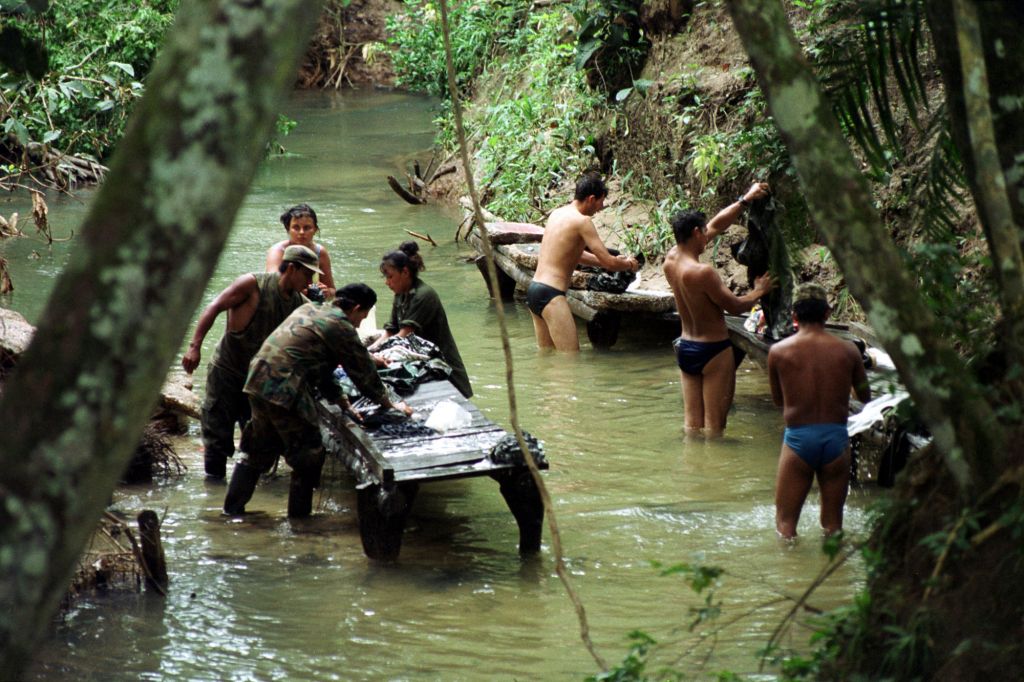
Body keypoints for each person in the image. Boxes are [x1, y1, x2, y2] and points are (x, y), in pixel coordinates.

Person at [223, 283, 413, 518]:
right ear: (355, 308)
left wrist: (343, 402)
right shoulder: (340, 326)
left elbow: (319, 368)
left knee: (258, 447)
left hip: (257, 381)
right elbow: (364, 374)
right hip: (285, 388)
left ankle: (231, 512)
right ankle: (300, 523)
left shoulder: (309, 309)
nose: (360, 322)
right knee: (309, 453)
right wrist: (391, 405)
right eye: (362, 316)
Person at [182, 245, 321, 480]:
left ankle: (244, 490)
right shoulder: (253, 284)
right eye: (307, 274)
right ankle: (214, 489)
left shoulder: (300, 303)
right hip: (227, 370)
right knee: (216, 434)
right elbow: (214, 306)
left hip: (258, 379)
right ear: (293, 268)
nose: (309, 281)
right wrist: (194, 346)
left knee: (258, 437)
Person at [663, 182, 774, 434]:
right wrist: (760, 290)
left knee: (692, 427)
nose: (708, 236)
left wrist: (745, 199)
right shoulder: (703, 272)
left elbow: (716, 224)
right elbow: (735, 307)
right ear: (696, 233)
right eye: (704, 233)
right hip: (712, 350)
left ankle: (693, 469)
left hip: (686, 347)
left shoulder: (671, 260)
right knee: (715, 429)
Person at [768, 282, 871, 539]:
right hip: (836, 439)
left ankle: (791, 575)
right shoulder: (848, 351)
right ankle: (835, 574)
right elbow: (865, 396)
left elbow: (779, 401)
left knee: (785, 525)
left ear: (794, 315)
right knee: (834, 525)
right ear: (827, 313)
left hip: (798, 439)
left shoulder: (778, 352)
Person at [528, 172, 639, 351]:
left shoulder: (557, 214)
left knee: (547, 357)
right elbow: (609, 263)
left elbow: (574, 255)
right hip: (551, 295)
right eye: (601, 202)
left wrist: (608, 260)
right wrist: (629, 264)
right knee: (570, 359)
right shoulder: (582, 221)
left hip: (534, 290)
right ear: (591, 199)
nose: (600, 208)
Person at [370, 241, 473, 398]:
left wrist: (377, 355)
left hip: (443, 368)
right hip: (420, 363)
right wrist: (371, 351)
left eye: (390, 276)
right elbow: (391, 331)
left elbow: (403, 334)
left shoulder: (424, 295)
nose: (387, 282)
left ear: (405, 272)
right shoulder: (400, 294)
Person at [265, 203, 336, 299]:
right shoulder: (277, 251)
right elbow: (273, 285)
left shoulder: (320, 252)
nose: (301, 232)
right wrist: (300, 292)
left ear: (315, 230)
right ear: (288, 229)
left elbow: (332, 290)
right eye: (296, 227)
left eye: (307, 228)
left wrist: (326, 292)